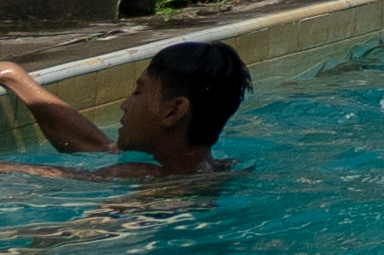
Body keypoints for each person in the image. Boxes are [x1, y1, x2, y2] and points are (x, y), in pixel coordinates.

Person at [0, 39, 250, 182]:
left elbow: (68, 237)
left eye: (138, 92)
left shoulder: (156, 193)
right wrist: (15, 77)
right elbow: (100, 150)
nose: (125, 103)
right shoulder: (222, 167)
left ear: (173, 111)